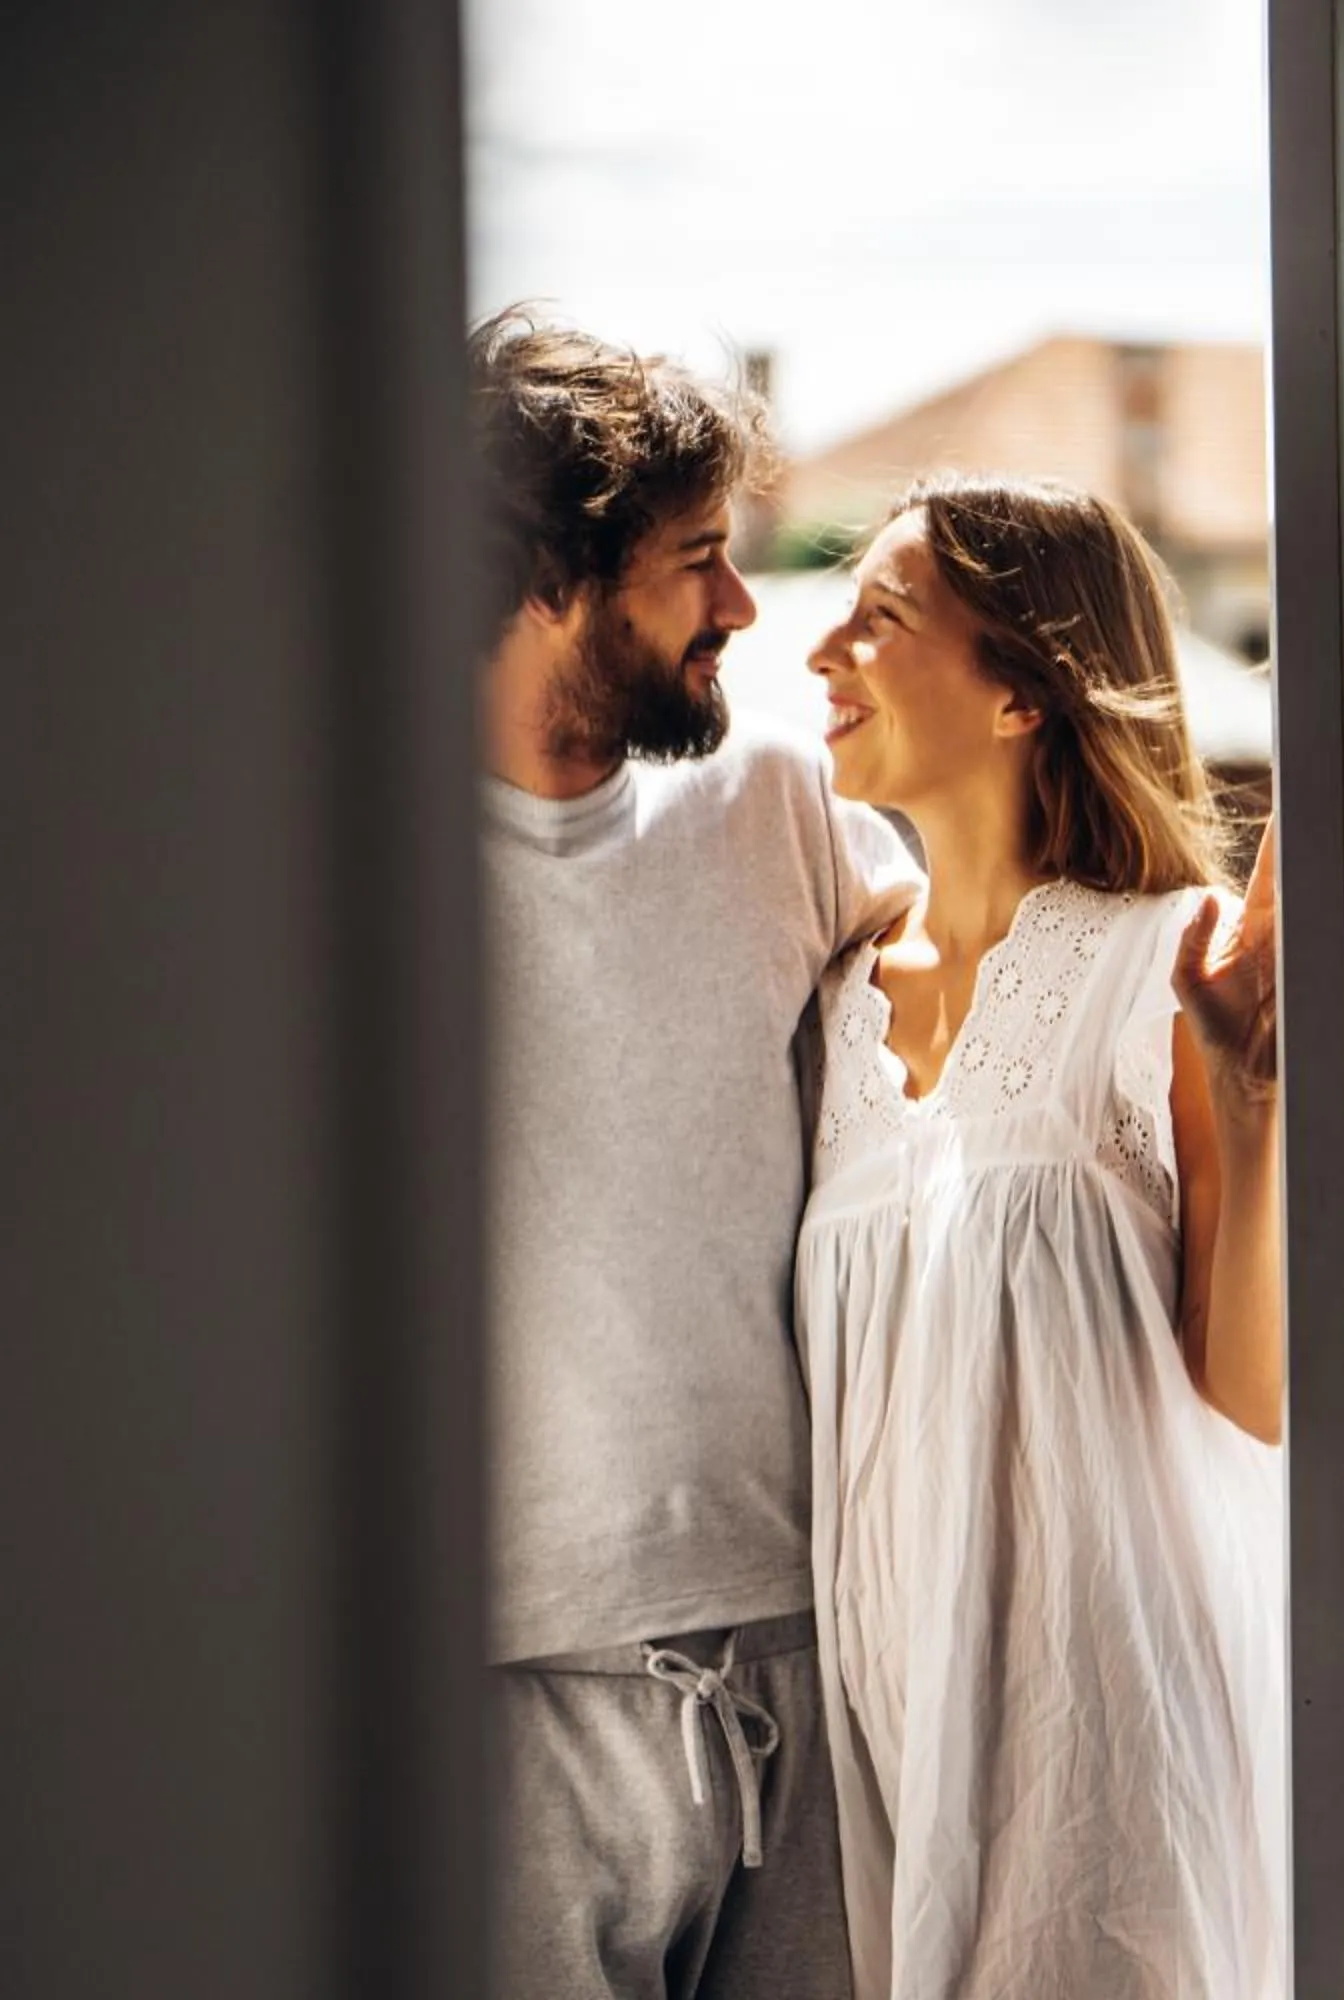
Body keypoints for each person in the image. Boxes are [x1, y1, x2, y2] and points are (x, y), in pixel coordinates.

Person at [796, 478, 1344, 1999]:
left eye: (881, 617)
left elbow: (1255, 1400)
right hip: (894, 1753)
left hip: (1112, 1759)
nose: (824, 651)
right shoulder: (830, 999)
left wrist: (1253, 1108)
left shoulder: (1171, 958)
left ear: (1022, 687)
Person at [473, 309, 917, 1997]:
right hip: (502, 1695)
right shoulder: (332, 868)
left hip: (801, 1664)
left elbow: (1006, 994)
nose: (742, 606)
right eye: (697, 560)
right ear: (541, 572)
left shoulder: (778, 813)